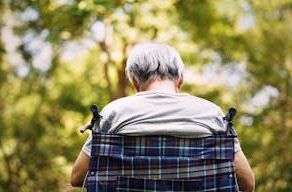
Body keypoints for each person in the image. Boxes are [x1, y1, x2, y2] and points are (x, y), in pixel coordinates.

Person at [71, 42, 255, 191]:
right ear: (180, 79)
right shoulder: (211, 114)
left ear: (134, 81)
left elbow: (78, 177)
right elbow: (247, 183)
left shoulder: (113, 113)